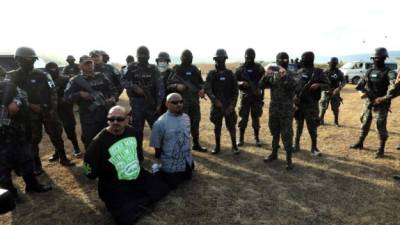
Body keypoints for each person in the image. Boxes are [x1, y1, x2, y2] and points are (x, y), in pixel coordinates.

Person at [84, 105, 169, 225]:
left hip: (135, 175)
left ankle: (138, 200)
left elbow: (139, 156)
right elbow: (89, 173)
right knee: (124, 218)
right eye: (111, 119)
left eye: (119, 119)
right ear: (107, 120)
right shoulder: (97, 143)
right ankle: (138, 201)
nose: (115, 122)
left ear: (127, 119)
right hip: (114, 183)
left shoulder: (133, 132)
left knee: (163, 188)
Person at [6, 47, 74, 173]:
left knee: (56, 135)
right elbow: (10, 95)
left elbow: (52, 92)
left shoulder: (43, 74)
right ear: (18, 60)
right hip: (27, 114)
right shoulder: (12, 76)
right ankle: (37, 166)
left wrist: (51, 109)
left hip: (47, 110)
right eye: (26, 59)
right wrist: (30, 105)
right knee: (32, 139)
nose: (29, 62)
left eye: (32, 59)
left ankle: (63, 158)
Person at [0, 78, 52, 202]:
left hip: (15, 132)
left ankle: (32, 185)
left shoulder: (7, 84)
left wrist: (16, 102)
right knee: (2, 168)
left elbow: (22, 95)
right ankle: (10, 195)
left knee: (26, 159)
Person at [350, 47, 397, 158]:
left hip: (381, 104)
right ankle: (360, 142)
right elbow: (359, 86)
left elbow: (394, 87)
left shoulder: (389, 72)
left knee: (380, 126)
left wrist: (384, 98)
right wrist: (362, 93)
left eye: (380, 58)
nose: (377, 60)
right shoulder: (369, 71)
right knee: (364, 123)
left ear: (385, 58)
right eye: (375, 58)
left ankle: (381, 149)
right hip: (369, 103)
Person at [64, 55, 118, 150]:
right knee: (90, 143)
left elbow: (113, 90)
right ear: (80, 66)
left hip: (104, 115)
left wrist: (112, 98)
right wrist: (79, 94)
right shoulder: (75, 81)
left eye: (90, 63)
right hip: (88, 119)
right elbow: (67, 98)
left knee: (108, 140)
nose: (89, 66)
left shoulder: (102, 76)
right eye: (86, 64)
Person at [121, 46, 164, 154]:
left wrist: (159, 103)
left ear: (149, 57)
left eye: (145, 57)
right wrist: (134, 87)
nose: (143, 59)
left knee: (156, 128)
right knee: (137, 130)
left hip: (151, 103)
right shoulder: (130, 67)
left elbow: (160, 86)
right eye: (141, 57)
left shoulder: (153, 69)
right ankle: (138, 152)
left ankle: (158, 150)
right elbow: (122, 81)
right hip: (137, 104)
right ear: (137, 57)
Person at [260, 52, 297, 170]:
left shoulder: (292, 74)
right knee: (274, 132)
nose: (282, 62)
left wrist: (285, 76)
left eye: (285, 60)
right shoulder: (273, 75)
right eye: (280, 60)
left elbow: (295, 86)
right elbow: (261, 85)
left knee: (287, 134)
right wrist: (266, 75)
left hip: (286, 110)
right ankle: (274, 153)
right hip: (274, 108)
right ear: (277, 61)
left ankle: (289, 159)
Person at [150, 93, 194, 189]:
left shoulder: (186, 117)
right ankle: (158, 168)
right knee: (173, 185)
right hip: (171, 161)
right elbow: (157, 146)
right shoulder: (160, 123)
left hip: (185, 158)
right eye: (174, 102)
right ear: (166, 104)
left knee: (188, 177)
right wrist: (160, 160)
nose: (178, 104)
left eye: (181, 102)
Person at [166, 49, 207, 152]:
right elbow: (168, 84)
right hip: (181, 104)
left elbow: (201, 83)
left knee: (195, 123)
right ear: (181, 58)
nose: (188, 59)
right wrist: (176, 85)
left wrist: (202, 90)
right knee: (182, 125)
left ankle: (196, 144)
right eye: (186, 57)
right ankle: (182, 147)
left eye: (189, 57)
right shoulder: (176, 69)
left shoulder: (194, 69)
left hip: (194, 102)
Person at [293, 51, 330, 156]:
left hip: (311, 105)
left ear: (310, 59)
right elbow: (294, 87)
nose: (302, 60)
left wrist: (318, 85)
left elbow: (328, 85)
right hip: (299, 104)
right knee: (298, 126)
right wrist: (294, 97)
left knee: (312, 127)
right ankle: (296, 145)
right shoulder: (299, 71)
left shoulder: (318, 72)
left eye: (303, 58)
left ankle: (314, 147)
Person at [204, 49, 240, 154]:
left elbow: (236, 91)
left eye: (222, 59)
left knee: (232, 126)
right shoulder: (211, 74)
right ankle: (217, 147)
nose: (220, 61)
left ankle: (234, 146)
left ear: (225, 60)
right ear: (215, 60)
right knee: (217, 127)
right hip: (217, 106)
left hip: (229, 105)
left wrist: (232, 105)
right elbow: (208, 88)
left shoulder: (230, 74)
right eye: (218, 59)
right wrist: (215, 101)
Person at [45, 62, 81, 157]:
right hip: (51, 110)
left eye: (54, 68)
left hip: (65, 109)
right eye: (50, 69)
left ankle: (76, 147)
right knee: (54, 133)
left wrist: (66, 100)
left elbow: (73, 92)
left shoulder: (65, 79)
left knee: (70, 130)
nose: (53, 71)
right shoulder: (44, 81)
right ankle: (58, 152)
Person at [235, 48, 265, 147]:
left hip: (256, 97)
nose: (249, 59)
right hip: (245, 97)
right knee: (243, 118)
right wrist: (241, 83)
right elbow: (234, 82)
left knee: (256, 118)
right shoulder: (240, 68)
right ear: (245, 56)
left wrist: (260, 90)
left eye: (251, 57)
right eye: (247, 57)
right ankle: (241, 138)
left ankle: (256, 138)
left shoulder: (259, 68)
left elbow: (264, 81)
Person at [319, 57, 346, 126]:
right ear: (329, 63)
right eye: (331, 63)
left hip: (335, 92)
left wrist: (339, 88)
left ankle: (336, 122)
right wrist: (324, 88)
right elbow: (319, 81)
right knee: (323, 106)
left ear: (336, 64)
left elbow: (344, 81)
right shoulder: (325, 71)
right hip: (326, 92)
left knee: (335, 108)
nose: (332, 65)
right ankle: (321, 120)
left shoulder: (339, 72)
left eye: (334, 64)